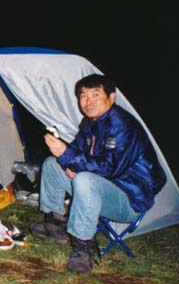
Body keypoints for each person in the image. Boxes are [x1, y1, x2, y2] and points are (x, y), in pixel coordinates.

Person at [29, 73, 166, 273]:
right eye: (83, 95)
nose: (88, 101)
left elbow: (109, 168)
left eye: (95, 94)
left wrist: (68, 156)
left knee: (84, 178)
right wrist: (67, 158)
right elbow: (76, 152)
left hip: (129, 198)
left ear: (112, 97)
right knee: (52, 163)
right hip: (102, 187)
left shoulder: (122, 126)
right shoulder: (90, 123)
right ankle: (55, 224)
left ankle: (83, 248)